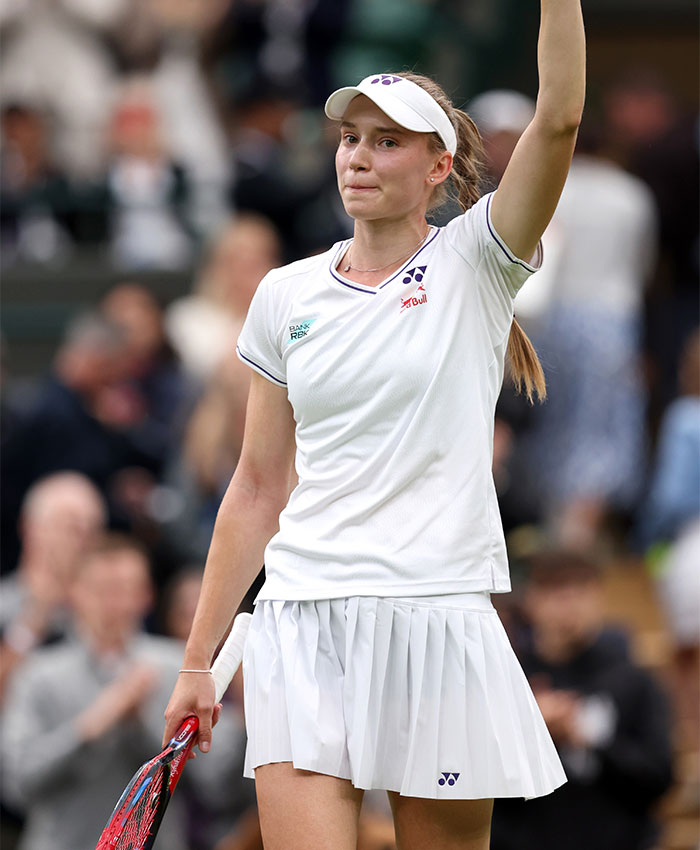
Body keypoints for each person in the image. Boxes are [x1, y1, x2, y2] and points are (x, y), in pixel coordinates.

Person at [163, 2, 586, 847]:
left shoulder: (475, 260)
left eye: (386, 141)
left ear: (438, 167)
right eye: (350, 138)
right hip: (301, 622)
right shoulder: (284, 293)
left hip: (438, 620)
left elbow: (561, 116)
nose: (358, 156)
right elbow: (256, 486)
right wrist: (197, 661)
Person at [1, 533, 190, 850]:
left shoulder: (176, 667)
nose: (115, 604)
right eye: (103, 590)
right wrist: (90, 727)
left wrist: (141, 723)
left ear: (147, 595)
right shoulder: (37, 675)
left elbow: (215, 781)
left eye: (126, 590)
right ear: (74, 592)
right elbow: (17, 784)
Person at [490, 550, 674, 850]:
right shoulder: (510, 681)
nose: (569, 605)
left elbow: (659, 778)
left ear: (599, 596)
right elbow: (483, 786)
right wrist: (531, 730)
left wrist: (587, 736)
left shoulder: (633, 681)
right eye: (556, 592)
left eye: (580, 591)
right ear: (531, 600)